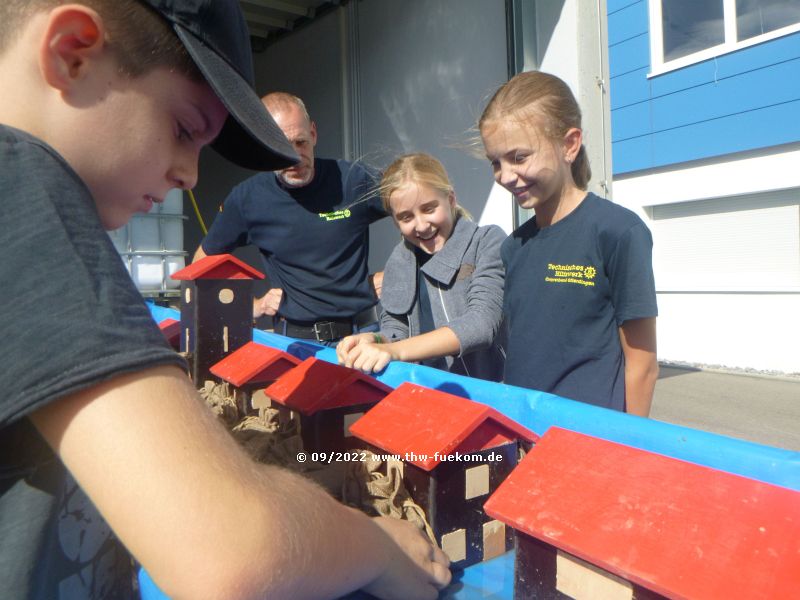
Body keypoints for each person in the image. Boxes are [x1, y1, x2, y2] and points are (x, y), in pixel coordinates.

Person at [0, 1, 450, 599]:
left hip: (353, 332)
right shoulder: (27, 200)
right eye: (186, 128)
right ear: (73, 51)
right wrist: (375, 545)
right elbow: (231, 552)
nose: (189, 172)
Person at [478, 70, 659, 416]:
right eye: (495, 163)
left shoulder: (619, 232)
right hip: (523, 432)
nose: (504, 176)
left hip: (589, 441)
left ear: (569, 144)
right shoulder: (513, 247)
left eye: (518, 157)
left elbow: (643, 365)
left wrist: (631, 447)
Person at [194, 92, 387, 345]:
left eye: (301, 142)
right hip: (296, 344)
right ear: (261, 143)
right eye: (282, 147)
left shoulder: (353, 179)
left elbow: (424, 206)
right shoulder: (247, 199)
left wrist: (396, 273)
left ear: (314, 134)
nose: (295, 157)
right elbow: (201, 266)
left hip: (363, 337)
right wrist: (250, 306)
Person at [337, 153, 506, 381]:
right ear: (396, 222)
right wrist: (375, 340)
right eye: (406, 217)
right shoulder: (398, 262)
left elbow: (480, 325)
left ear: (451, 200)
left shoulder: (486, 241)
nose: (421, 225)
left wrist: (394, 351)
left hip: (490, 395)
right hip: (429, 394)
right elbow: (396, 331)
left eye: (429, 209)